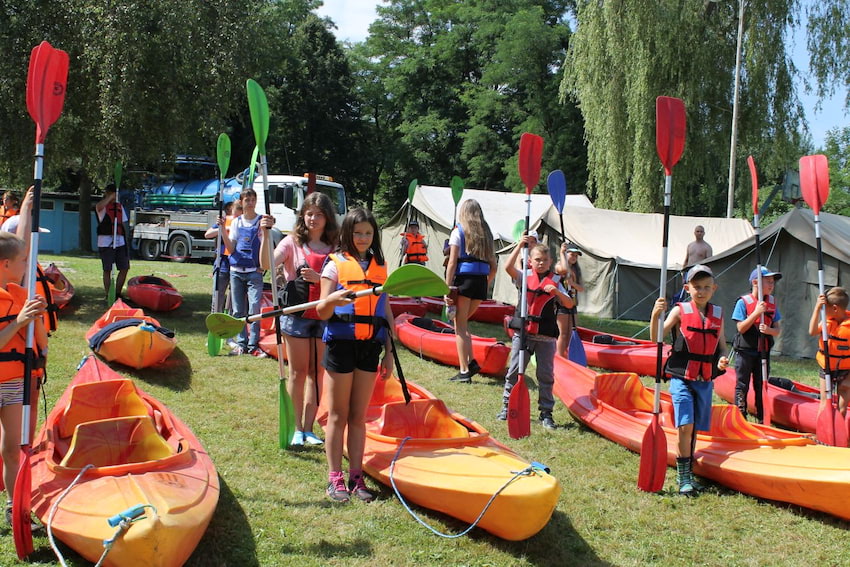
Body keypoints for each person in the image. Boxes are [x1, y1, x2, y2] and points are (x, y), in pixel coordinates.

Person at [317, 207, 394, 503]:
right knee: (338, 415)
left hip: (369, 345)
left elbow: (385, 311)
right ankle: (334, 476)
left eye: (368, 233)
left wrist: (388, 352)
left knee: (358, 416)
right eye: (357, 232)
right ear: (347, 233)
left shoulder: (380, 266)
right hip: (341, 344)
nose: (363, 238)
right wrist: (333, 298)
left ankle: (356, 476)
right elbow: (322, 311)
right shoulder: (334, 266)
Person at [260, 192, 338, 447]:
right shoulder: (292, 241)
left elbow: (345, 279)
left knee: (317, 373)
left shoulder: (336, 245)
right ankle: (294, 428)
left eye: (319, 214)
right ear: (302, 216)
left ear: (327, 218)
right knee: (298, 373)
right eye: (309, 214)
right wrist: (265, 234)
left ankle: (308, 428)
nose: (313, 219)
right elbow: (266, 264)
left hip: (324, 316)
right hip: (297, 317)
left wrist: (321, 279)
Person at [650, 264, 729, 496]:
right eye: (696, 287)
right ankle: (683, 477)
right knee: (685, 425)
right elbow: (656, 336)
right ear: (687, 288)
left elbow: (722, 347)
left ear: (714, 288)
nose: (701, 291)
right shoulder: (679, 310)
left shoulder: (718, 314)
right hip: (681, 376)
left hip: (704, 379)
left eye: (706, 287)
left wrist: (722, 360)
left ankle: (689, 471)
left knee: (694, 429)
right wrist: (655, 314)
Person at [498, 237, 573, 429]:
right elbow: (508, 268)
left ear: (550, 262)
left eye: (545, 261)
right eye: (537, 260)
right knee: (514, 371)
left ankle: (546, 413)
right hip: (523, 334)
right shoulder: (524, 276)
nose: (541, 263)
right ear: (530, 260)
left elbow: (570, 304)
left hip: (546, 337)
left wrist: (557, 292)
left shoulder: (555, 281)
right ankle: (507, 407)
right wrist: (519, 246)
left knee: (545, 375)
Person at [0, 232, 48, 523]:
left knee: (12, 448)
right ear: (5, 264)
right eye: (22, 261)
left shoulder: (21, 296)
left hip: (15, 383)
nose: (26, 265)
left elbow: (41, 343)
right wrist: (18, 322)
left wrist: (36, 319)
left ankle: (12, 504)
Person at [444, 199, 497, 383]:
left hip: (464, 281)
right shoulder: (486, 235)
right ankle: (472, 361)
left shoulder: (458, 231)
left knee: (460, 327)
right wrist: (484, 283)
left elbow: (452, 263)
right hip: (481, 283)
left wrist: (446, 287)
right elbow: (494, 267)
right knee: (463, 324)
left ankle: (464, 371)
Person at [219, 189, 269, 357]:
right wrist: (221, 230)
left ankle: (253, 345)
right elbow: (231, 248)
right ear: (241, 202)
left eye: (253, 199)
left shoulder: (262, 222)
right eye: (247, 199)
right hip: (236, 271)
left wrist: (264, 265)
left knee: (255, 308)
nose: (250, 202)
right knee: (238, 310)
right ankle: (241, 343)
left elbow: (266, 245)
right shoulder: (236, 222)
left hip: (254, 271)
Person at [731, 267, 782, 422]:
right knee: (742, 384)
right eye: (768, 281)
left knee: (761, 385)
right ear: (755, 282)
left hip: (763, 352)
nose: (771, 285)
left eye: (772, 282)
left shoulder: (772, 302)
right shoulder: (743, 302)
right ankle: (740, 417)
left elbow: (778, 330)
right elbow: (740, 327)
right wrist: (755, 313)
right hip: (746, 351)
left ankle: (762, 417)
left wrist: (769, 330)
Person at [808, 287, 850, 416]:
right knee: (825, 403)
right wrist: (816, 308)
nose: (823, 311)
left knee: (842, 408)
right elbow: (812, 331)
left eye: (824, 308)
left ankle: (838, 433)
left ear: (835, 308)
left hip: (846, 370)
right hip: (826, 367)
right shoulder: (827, 323)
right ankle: (823, 434)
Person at [95, 184, 131, 301]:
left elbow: (124, 223)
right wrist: (110, 197)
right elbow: (98, 207)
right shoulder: (103, 208)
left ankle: (117, 294)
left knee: (124, 268)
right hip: (106, 243)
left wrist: (127, 241)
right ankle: (108, 295)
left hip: (120, 242)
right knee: (107, 269)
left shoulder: (119, 207)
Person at [205, 200, 240, 314]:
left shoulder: (243, 222)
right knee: (218, 296)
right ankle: (215, 319)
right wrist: (223, 228)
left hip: (237, 263)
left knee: (235, 298)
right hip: (223, 263)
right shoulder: (225, 221)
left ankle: (230, 321)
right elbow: (208, 234)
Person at [554, 244, 585, 358]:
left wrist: (572, 284)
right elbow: (563, 270)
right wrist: (562, 253)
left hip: (573, 304)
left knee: (570, 333)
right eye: (572, 254)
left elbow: (581, 288)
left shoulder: (576, 270)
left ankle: (565, 355)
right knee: (563, 333)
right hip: (561, 304)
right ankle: (559, 357)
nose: (574, 257)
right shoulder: (559, 267)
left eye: (576, 256)